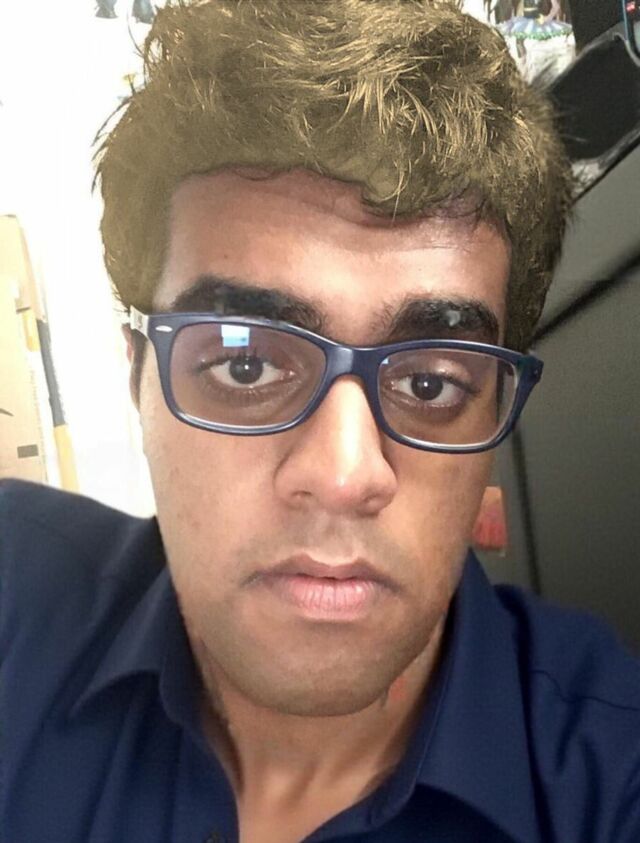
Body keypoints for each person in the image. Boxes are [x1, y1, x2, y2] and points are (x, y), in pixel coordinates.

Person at [2, 1, 639, 841]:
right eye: (246, 366)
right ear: (138, 376)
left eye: (431, 383)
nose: (343, 475)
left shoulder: (609, 774)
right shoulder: (16, 601)